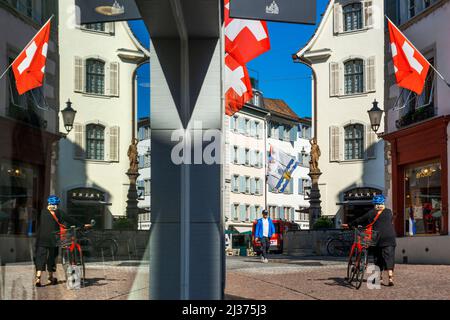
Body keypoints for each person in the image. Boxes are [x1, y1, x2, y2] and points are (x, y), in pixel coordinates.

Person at [34, 195, 92, 287]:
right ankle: (50, 277)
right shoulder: (59, 212)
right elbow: (71, 220)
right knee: (52, 257)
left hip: (41, 238)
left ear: (48, 203)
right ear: (57, 204)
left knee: (40, 256)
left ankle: (38, 277)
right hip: (53, 238)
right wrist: (83, 225)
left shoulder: (42, 212)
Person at [342, 194, 397, 286]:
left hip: (378, 238)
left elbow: (360, 220)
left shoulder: (371, 213)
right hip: (390, 238)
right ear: (383, 203)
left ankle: (379, 278)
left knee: (377, 257)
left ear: (374, 204)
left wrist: (349, 225)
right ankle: (390, 277)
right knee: (389, 257)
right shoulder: (389, 212)